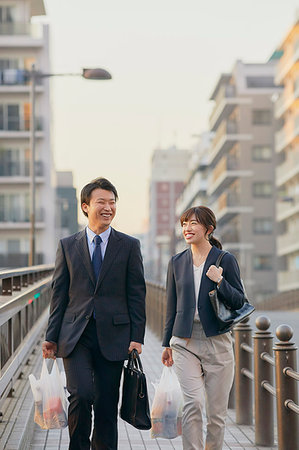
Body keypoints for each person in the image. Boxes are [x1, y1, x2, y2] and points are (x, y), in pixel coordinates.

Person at [42, 177, 146, 450]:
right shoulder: (67, 245)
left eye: (112, 203)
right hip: (75, 335)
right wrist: (51, 337)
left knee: (105, 405)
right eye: (102, 202)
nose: (108, 207)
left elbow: (137, 294)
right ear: (86, 206)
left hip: (114, 336)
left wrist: (137, 337)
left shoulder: (129, 246)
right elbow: (59, 294)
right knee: (81, 395)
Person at [161, 206, 245, 450]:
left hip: (217, 341)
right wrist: (166, 343)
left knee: (217, 416)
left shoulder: (225, 259)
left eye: (193, 223)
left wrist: (220, 280)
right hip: (184, 342)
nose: (187, 228)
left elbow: (239, 301)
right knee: (193, 404)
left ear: (208, 229)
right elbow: (171, 306)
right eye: (184, 223)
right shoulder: (176, 262)